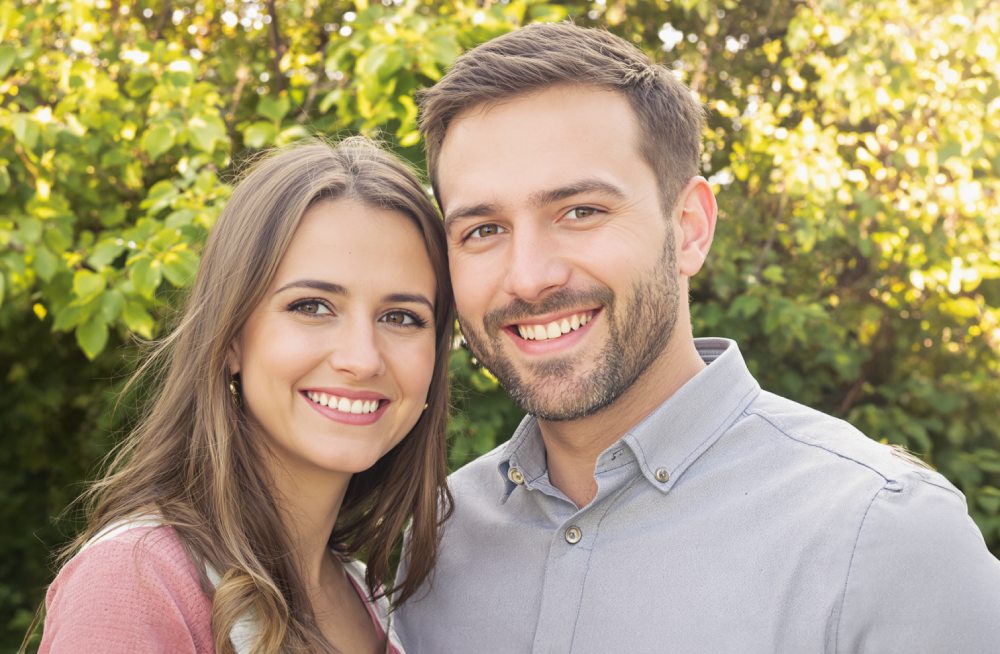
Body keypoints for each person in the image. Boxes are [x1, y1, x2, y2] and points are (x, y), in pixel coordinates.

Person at [395, 22, 1000, 653]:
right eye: (484, 230)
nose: (529, 277)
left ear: (688, 229)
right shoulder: (438, 541)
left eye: (581, 212)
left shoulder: (880, 539)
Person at [36, 137, 454, 653]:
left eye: (401, 317)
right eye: (312, 306)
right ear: (231, 336)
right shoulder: (137, 581)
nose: (362, 358)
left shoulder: (373, 602)